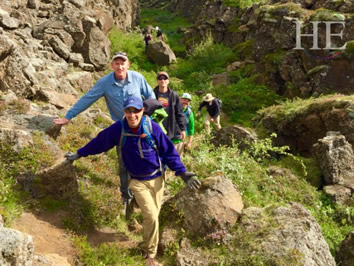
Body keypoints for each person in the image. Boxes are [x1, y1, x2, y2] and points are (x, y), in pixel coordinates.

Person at [65, 96, 201, 265]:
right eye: (128, 111)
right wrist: (80, 153)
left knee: (154, 216)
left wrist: (183, 173)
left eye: (136, 111)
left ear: (142, 111)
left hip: (158, 179)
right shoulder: (119, 129)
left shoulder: (153, 128)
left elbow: (169, 153)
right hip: (136, 181)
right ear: (124, 112)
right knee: (151, 216)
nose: (132, 115)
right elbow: (99, 142)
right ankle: (150, 254)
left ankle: (144, 240)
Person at [53, 51, 155, 210]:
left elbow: (151, 97)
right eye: (117, 63)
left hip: (142, 127)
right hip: (122, 130)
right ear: (112, 65)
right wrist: (68, 116)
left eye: (123, 63)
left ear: (128, 65)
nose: (120, 66)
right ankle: (127, 197)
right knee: (124, 164)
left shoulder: (138, 78)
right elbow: (87, 98)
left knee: (146, 159)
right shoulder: (104, 83)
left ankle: (146, 192)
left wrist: (148, 115)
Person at [153, 71, 186, 155]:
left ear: (168, 81)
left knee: (171, 153)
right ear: (157, 81)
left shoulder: (174, 95)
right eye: (160, 78)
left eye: (165, 78)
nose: (162, 80)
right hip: (156, 128)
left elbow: (179, 112)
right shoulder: (152, 94)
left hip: (171, 128)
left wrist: (182, 129)